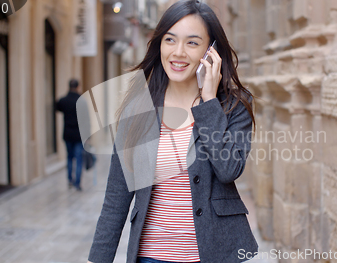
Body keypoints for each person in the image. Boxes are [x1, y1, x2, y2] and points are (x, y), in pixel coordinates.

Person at [88, 1, 257, 262]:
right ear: (159, 45)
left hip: (214, 254)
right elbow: (116, 198)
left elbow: (229, 169)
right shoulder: (138, 108)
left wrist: (209, 102)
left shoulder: (233, 107)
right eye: (170, 40)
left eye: (192, 42)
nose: (178, 52)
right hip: (151, 256)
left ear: (210, 51)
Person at [56, 79, 84, 191]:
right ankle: (77, 183)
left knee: (69, 157)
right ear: (78, 87)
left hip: (67, 134)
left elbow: (57, 108)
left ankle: (69, 180)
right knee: (78, 159)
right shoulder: (81, 101)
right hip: (78, 135)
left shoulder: (63, 100)